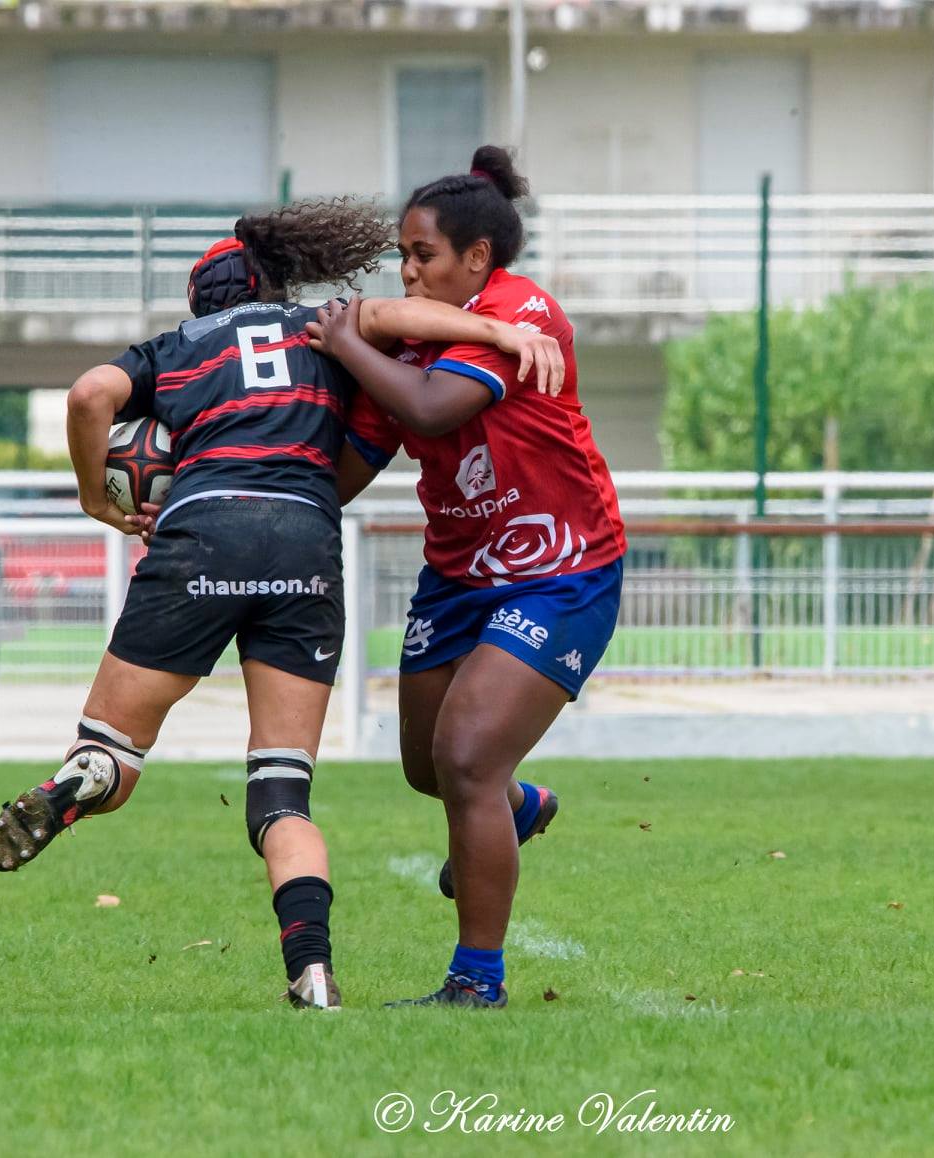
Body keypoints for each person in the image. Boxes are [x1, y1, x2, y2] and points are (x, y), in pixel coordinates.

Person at [0, 199, 566, 1012]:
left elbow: (88, 396)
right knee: (282, 792)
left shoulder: (177, 347)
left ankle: (88, 773)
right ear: (274, 281)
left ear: (200, 302)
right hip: (303, 544)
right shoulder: (316, 325)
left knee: (113, 750)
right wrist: (499, 331)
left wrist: (94, 497)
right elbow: (399, 316)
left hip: (200, 533)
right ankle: (312, 973)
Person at [314, 145, 627, 1008]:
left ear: (478, 257)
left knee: (466, 758)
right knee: (428, 767)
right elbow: (350, 467)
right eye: (402, 256)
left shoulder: (521, 311)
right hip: (456, 577)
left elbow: (431, 407)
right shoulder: (410, 339)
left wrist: (351, 341)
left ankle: (476, 982)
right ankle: (517, 808)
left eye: (424, 255)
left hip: (561, 570)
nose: (408, 272)